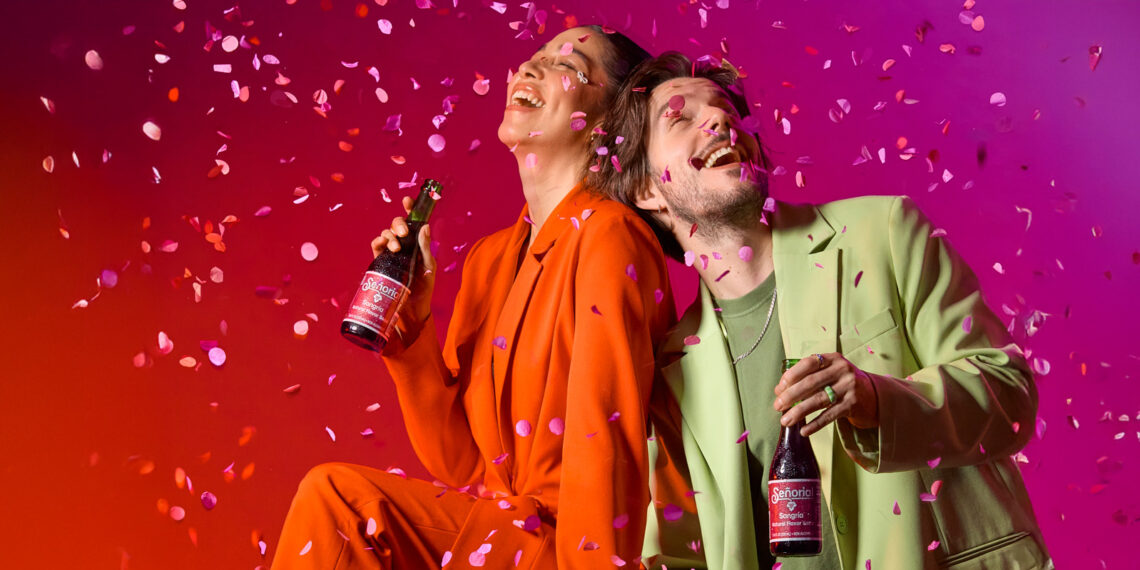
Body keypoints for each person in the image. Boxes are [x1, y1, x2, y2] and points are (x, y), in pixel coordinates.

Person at [592, 53, 1052, 569]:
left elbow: (1009, 395)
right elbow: (679, 549)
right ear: (645, 190)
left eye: (726, 109)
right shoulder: (673, 367)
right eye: (680, 117)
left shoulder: (886, 232)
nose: (721, 120)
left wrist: (879, 400)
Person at [271, 27, 676, 569]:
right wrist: (411, 336)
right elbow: (461, 462)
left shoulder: (611, 237)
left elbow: (611, 447)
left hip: (566, 549)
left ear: (609, 118)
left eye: (568, 63)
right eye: (532, 56)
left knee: (338, 499)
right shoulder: (490, 258)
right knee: (339, 506)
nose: (529, 69)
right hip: (497, 541)